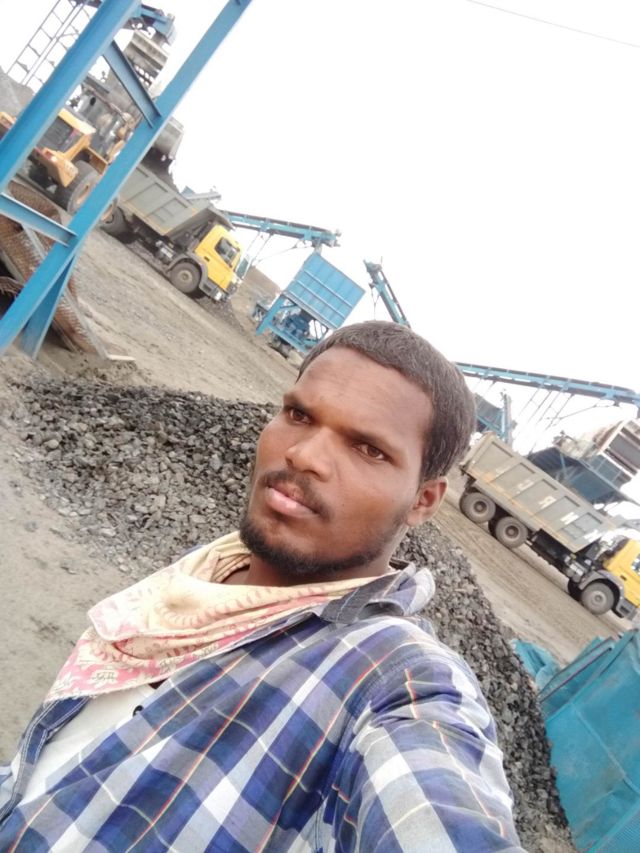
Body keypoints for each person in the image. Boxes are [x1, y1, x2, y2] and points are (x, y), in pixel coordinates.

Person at [0, 321, 522, 851]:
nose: (305, 455)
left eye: (367, 449)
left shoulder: (395, 679)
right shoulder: (206, 573)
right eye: (299, 416)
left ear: (423, 500)